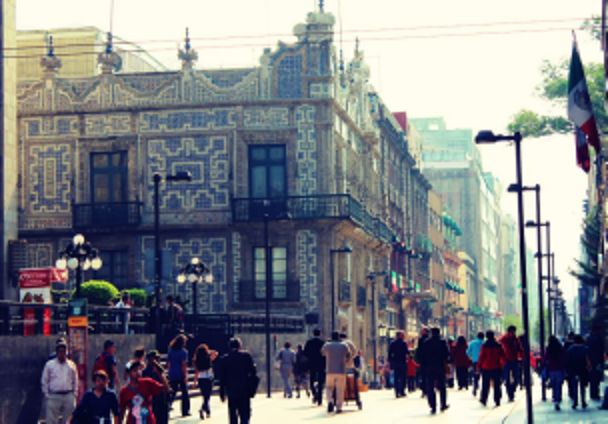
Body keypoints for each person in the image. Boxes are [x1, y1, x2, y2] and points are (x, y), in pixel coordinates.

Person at [218, 337, 257, 424]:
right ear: (240, 346)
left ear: (229, 347)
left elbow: (222, 378)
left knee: (232, 413)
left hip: (231, 390)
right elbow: (253, 372)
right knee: (245, 413)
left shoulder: (225, 359)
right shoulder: (246, 356)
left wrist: (222, 393)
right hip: (244, 389)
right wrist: (252, 388)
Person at [41, 339, 78, 424]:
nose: (62, 354)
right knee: (51, 420)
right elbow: (44, 381)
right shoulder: (49, 365)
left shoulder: (71, 365)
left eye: (64, 352)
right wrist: (47, 395)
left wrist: (74, 394)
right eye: (60, 352)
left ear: (66, 352)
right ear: (57, 353)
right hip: (54, 395)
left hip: (68, 395)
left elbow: (76, 380)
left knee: (69, 420)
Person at [419, 327, 450, 414]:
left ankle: (433, 405)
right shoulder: (442, 342)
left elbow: (421, 355)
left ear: (431, 333)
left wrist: (424, 365)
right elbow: (447, 355)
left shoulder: (426, 342)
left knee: (430, 386)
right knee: (442, 387)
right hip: (440, 367)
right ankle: (443, 405)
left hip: (429, 367)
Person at [322, 331, 350, 414]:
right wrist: (346, 361)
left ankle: (330, 400)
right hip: (341, 370)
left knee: (328, 387)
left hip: (330, 369)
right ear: (338, 337)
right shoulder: (344, 345)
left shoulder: (327, 345)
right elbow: (349, 354)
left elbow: (322, 353)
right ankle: (339, 407)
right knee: (340, 389)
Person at [478, 330, 505, 408]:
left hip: (486, 367)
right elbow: (503, 355)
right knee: (497, 384)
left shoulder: (484, 345)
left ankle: (484, 399)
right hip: (496, 367)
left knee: (485, 385)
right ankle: (497, 400)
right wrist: (501, 364)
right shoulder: (498, 345)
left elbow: (481, 356)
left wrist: (479, 366)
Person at [142, 350, 169, 424]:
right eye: (154, 358)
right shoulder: (145, 372)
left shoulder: (160, 370)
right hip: (153, 400)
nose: (156, 360)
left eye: (157, 358)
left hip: (162, 399)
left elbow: (166, 386)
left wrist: (159, 374)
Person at [167, 334, 190, 417]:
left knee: (172, 392)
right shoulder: (184, 352)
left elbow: (168, 363)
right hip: (180, 373)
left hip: (172, 373)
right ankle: (185, 411)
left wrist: (169, 372)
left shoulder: (170, 351)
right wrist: (185, 375)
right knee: (185, 393)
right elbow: (184, 364)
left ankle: (167, 407)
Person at [193, 343, 218, 419]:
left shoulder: (197, 360)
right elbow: (216, 353)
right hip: (208, 378)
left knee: (205, 396)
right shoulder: (208, 358)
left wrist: (194, 382)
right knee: (207, 397)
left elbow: (196, 372)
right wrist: (210, 351)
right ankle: (203, 409)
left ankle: (208, 412)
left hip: (201, 379)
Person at [566, 334, 591, 409]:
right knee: (583, 386)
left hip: (573, 369)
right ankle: (583, 401)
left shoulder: (570, 349)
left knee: (574, 386)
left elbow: (568, 359)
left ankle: (575, 402)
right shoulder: (585, 348)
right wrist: (589, 366)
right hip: (583, 369)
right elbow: (587, 359)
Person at [499, 325, 523, 402]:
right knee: (512, 378)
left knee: (511, 378)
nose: (513, 333)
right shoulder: (508, 338)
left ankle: (511, 391)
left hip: (510, 360)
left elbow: (519, 348)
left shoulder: (512, 339)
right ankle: (511, 392)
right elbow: (519, 348)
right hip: (509, 360)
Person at [544, 336, 567, 411]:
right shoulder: (560, 347)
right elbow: (564, 357)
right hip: (559, 368)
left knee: (553, 383)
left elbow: (545, 358)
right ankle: (558, 398)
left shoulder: (549, 348)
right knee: (559, 384)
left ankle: (554, 397)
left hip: (551, 369)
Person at [303, 328, 326, 405]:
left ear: (313, 334)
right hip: (321, 364)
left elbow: (305, 353)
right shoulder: (323, 343)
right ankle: (320, 399)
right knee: (320, 382)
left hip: (312, 364)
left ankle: (314, 393)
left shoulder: (309, 342)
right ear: (320, 334)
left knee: (312, 381)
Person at [388, 330, 409, 398]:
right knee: (403, 377)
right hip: (402, 362)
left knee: (396, 378)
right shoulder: (403, 343)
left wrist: (391, 361)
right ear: (400, 335)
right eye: (403, 335)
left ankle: (397, 392)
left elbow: (389, 353)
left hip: (395, 362)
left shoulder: (392, 343)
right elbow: (407, 353)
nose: (404, 336)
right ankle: (402, 391)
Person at [586, 326, 604, 401]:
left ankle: (592, 393)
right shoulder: (599, 339)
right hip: (598, 362)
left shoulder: (588, 339)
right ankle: (596, 393)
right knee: (597, 378)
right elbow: (602, 350)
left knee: (592, 378)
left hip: (591, 361)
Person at [415, 327, 429, 397]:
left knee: (424, 376)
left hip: (424, 360)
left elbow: (419, 350)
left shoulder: (422, 339)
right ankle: (425, 390)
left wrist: (419, 358)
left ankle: (425, 390)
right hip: (427, 360)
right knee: (426, 376)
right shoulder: (423, 339)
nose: (421, 331)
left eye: (422, 331)